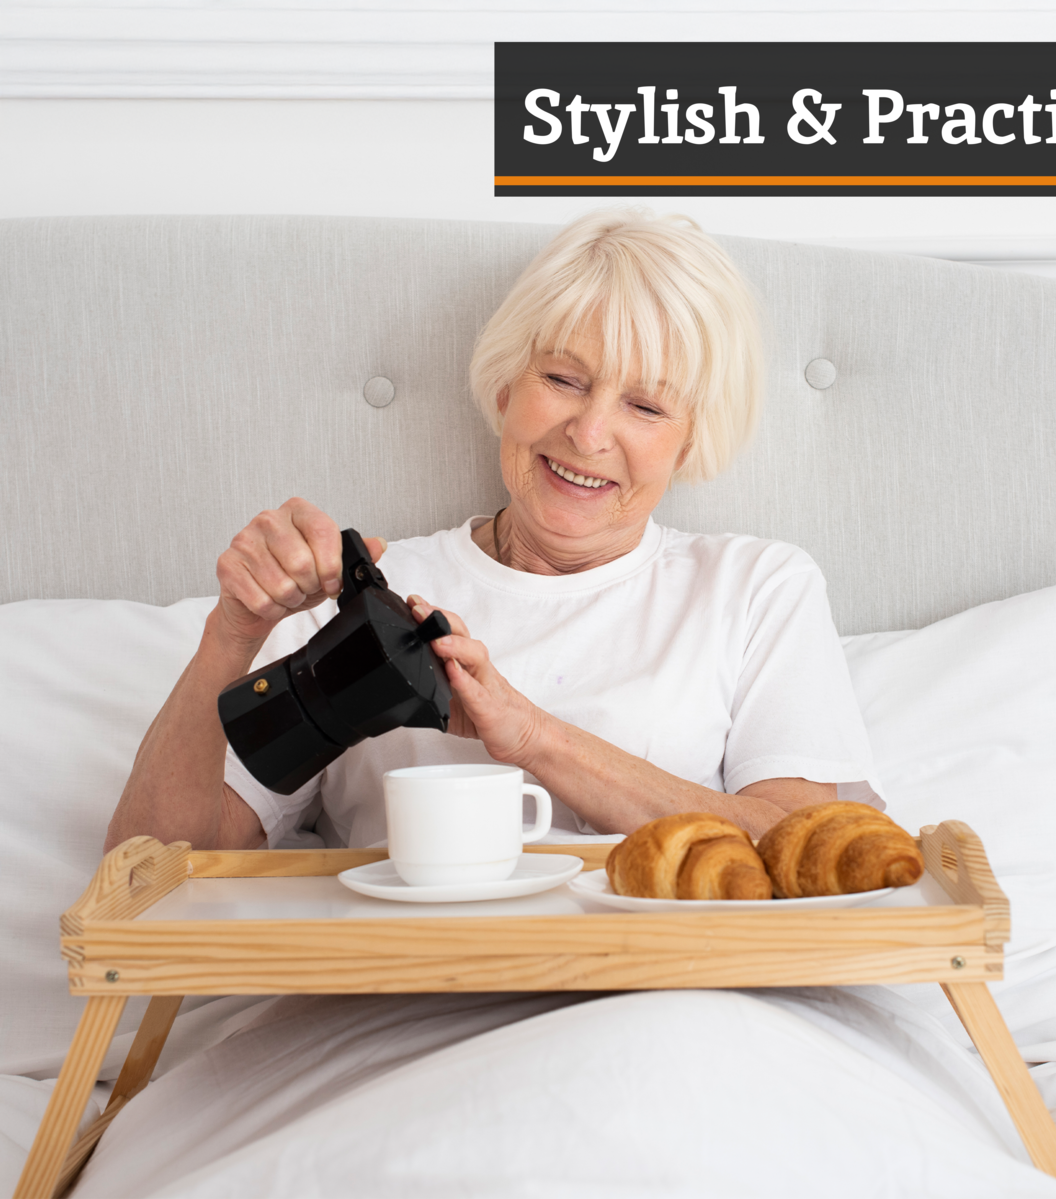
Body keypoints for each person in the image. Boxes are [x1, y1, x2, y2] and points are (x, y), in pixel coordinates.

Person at [105, 208, 878, 857]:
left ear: (688, 440)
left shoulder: (752, 587)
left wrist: (532, 736)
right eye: (564, 380)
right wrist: (229, 635)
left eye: (645, 406)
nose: (590, 430)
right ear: (507, 388)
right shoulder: (357, 597)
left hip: (658, 1004)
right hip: (404, 1008)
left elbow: (801, 851)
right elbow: (150, 879)